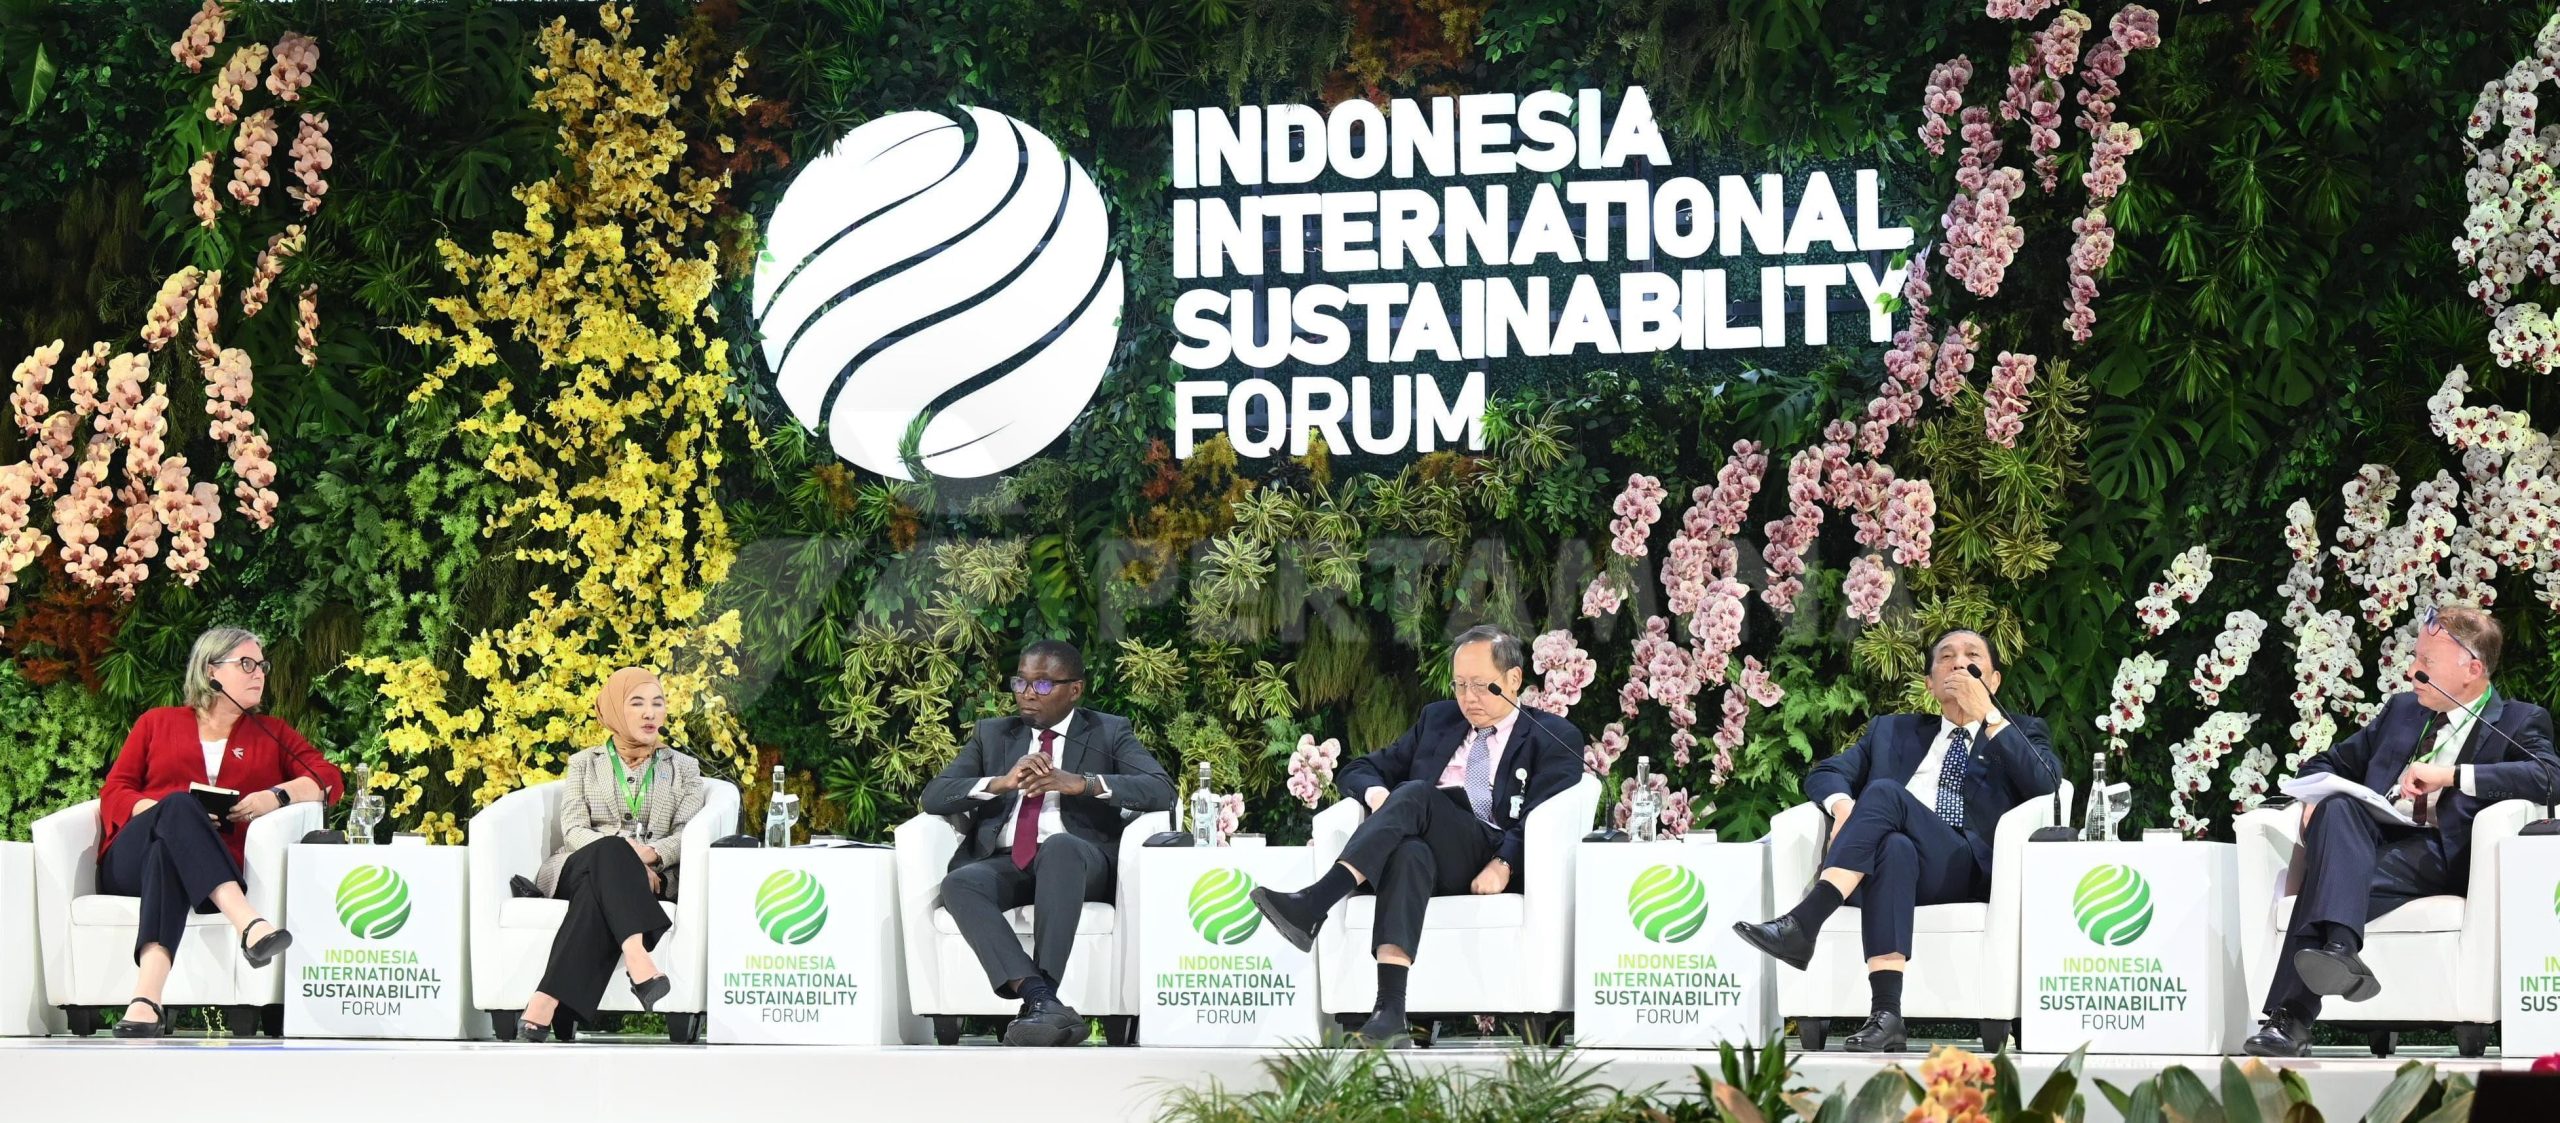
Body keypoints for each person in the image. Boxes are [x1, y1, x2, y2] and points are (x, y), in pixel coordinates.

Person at [1245, 625, 1585, 1048]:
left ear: (1513, 679)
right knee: (1409, 851)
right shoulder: (1438, 721)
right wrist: (1378, 796)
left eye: (1481, 685)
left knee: (1418, 793)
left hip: (1487, 851)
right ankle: (1390, 1012)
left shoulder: (1551, 735)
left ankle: (1316, 901)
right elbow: (1359, 769)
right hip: (1429, 845)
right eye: (1460, 685)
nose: (1468, 698)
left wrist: (1504, 863)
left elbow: (1543, 807)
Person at [2243, 605, 2558, 1057]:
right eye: (2415, 657)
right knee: (2336, 808)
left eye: (2427, 662)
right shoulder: (2403, 711)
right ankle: (2340, 949)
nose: (2412, 671)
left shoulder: (2517, 721)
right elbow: (2329, 763)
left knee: (2327, 878)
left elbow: (2549, 776)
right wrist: (2310, 798)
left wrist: (2451, 776)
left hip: (2441, 855)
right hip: (2370, 842)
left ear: (2472, 669)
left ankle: (2290, 1020)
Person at [1732, 627, 2057, 1052]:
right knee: (1894, 847)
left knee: (1884, 791)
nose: (1959, 663)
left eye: (1972, 656)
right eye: (1946, 657)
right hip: (1892, 865)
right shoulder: (1892, 731)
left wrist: (1989, 717)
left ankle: (1806, 920)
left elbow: (2047, 785)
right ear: (1930, 684)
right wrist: (1843, 808)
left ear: (1993, 680)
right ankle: (1887, 1016)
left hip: (1963, 868)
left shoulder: (2020, 731)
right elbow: (1827, 773)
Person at [920, 639, 1174, 1046]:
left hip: (1081, 862)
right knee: (959, 883)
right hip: (1010, 861)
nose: (1027, 694)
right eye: (1020, 682)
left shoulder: (1107, 731)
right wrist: (1001, 782)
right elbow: (934, 796)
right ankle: (1041, 999)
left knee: (1060, 847)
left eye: (1041, 685)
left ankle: (1044, 1001)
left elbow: (1161, 789)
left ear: (1074, 689)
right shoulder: (993, 734)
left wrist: (1083, 784)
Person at [94, 627, 345, 1038]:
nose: (259, 673)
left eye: (261, 665)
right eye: (246, 664)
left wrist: (276, 796)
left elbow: (327, 778)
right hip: (128, 861)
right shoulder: (156, 723)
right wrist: (162, 813)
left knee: (167, 855)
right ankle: (248, 923)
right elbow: (115, 791)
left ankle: (146, 999)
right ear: (211, 672)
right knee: (178, 806)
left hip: (197, 867)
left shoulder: (271, 732)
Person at [515, 667, 709, 1042]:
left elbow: (687, 832)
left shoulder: (684, 768)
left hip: (647, 874)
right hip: (578, 864)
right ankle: (637, 954)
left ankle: (547, 1001)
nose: (650, 713)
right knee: (610, 851)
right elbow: (574, 829)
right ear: (615, 709)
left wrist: (649, 856)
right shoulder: (584, 763)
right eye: (637, 703)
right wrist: (625, 854)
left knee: (596, 896)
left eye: (658, 703)